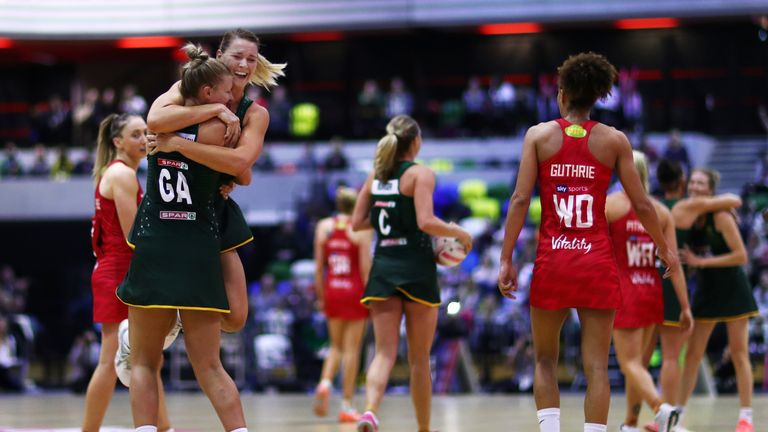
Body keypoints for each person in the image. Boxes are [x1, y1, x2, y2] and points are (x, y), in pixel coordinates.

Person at [497, 52, 679, 432]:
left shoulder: (538, 136)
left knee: (545, 360)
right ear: (597, 96)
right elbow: (643, 203)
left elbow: (518, 200)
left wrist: (506, 259)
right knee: (596, 365)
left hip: (553, 262)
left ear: (561, 94)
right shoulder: (614, 140)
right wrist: (665, 248)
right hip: (596, 263)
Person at [116, 44, 247, 432]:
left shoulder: (158, 127)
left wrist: (175, 145)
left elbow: (157, 118)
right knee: (209, 364)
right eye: (226, 92)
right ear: (208, 94)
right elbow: (243, 174)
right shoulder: (221, 128)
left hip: (157, 241)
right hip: (196, 245)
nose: (231, 99)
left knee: (142, 361)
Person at [146, 28, 285, 334]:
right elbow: (154, 122)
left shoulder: (255, 113)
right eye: (238, 56)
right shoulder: (190, 87)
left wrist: (179, 144)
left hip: (213, 207)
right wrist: (217, 109)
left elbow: (242, 169)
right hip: (175, 210)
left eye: (252, 58)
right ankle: (169, 322)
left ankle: (181, 318)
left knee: (235, 318)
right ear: (221, 57)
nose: (245, 64)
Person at [350, 114, 473, 432]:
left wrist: (384, 219)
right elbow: (425, 221)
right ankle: (423, 428)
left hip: (385, 266)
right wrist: (457, 232)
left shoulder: (375, 175)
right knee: (419, 360)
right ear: (416, 142)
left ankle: (369, 412)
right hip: (417, 267)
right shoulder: (420, 174)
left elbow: (356, 223)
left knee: (384, 352)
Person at [83, 113, 172, 432]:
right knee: (112, 361)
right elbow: (133, 234)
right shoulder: (121, 174)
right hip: (120, 272)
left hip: (119, 270)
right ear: (117, 142)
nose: (144, 138)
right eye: (135, 134)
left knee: (146, 360)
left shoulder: (121, 173)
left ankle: (164, 427)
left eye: (146, 132)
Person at [641, 159, 742, 432]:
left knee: (639, 359)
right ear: (683, 182)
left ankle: (633, 418)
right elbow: (734, 199)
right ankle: (666, 421)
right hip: (672, 283)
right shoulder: (689, 206)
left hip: (645, 281)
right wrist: (722, 204)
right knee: (672, 357)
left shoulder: (651, 206)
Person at [606, 151, 693, 432]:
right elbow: (674, 262)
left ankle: (660, 408)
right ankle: (630, 423)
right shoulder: (661, 211)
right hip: (651, 290)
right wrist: (685, 305)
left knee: (629, 363)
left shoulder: (610, 205)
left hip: (625, 290)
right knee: (639, 365)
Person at [676, 169, 758, 432]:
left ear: (710, 190)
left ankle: (746, 417)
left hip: (733, 288)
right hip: (708, 291)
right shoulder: (688, 217)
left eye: (701, 182)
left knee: (739, 353)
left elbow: (741, 256)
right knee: (692, 355)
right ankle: (678, 413)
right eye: (693, 182)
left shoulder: (721, 216)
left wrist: (702, 262)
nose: (695, 186)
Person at [312, 186, 373, 423]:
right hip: (355, 291)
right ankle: (347, 404)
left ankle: (325, 383)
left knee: (335, 346)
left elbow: (319, 268)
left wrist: (320, 296)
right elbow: (365, 268)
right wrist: (371, 298)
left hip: (332, 290)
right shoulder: (362, 228)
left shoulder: (324, 226)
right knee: (351, 350)